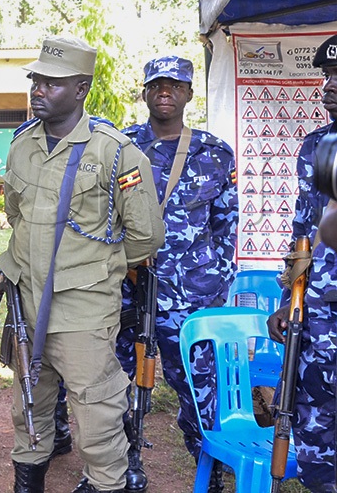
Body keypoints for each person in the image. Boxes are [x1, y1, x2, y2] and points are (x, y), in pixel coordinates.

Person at [0, 36, 164, 493]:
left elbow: (146, 235)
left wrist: (96, 265)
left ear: (81, 88)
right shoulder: (22, 144)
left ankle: (108, 481)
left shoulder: (115, 151)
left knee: (96, 412)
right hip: (28, 300)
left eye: (52, 83)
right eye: (36, 81)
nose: (39, 90)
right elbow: (16, 213)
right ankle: (27, 482)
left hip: (84, 309)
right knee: (28, 402)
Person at [115, 55, 237, 493]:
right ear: (145, 92)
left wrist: (216, 281)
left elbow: (226, 225)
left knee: (199, 389)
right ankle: (122, 465)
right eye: (157, 85)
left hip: (190, 298)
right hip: (128, 292)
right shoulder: (121, 147)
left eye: (175, 85)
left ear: (188, 93)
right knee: (115, 382)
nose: (165, 92)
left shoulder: (215, 153)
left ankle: (212, 471)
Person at [268, 32, 337, 493]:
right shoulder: (315, 145)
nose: (329, 85)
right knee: (314, 424)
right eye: (328, 75)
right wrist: (287, 298)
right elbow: (302, 230)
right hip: (317, 308)